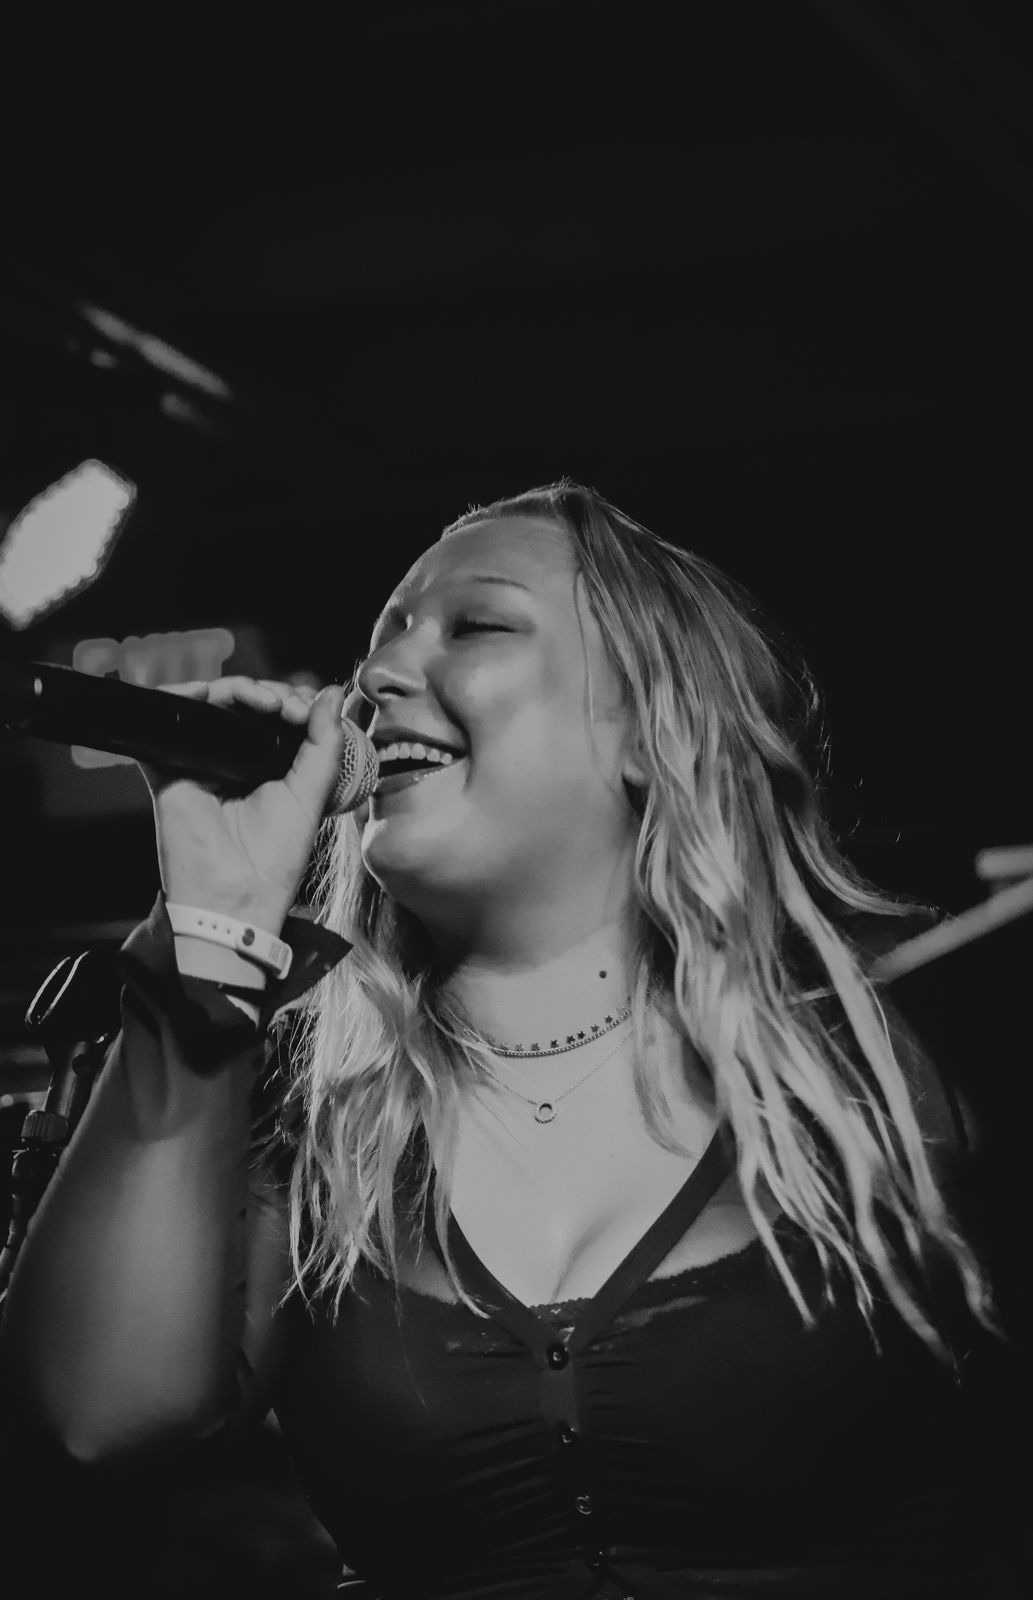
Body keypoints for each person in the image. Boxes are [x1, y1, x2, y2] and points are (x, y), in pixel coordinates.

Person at [0, 481, 1024, 1598]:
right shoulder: (300, 1113)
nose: (375, 677)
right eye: (383, 636)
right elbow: (101, 1416)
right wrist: (213, 924)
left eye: (474, 625)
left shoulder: (887, 1062)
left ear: (649, 729)